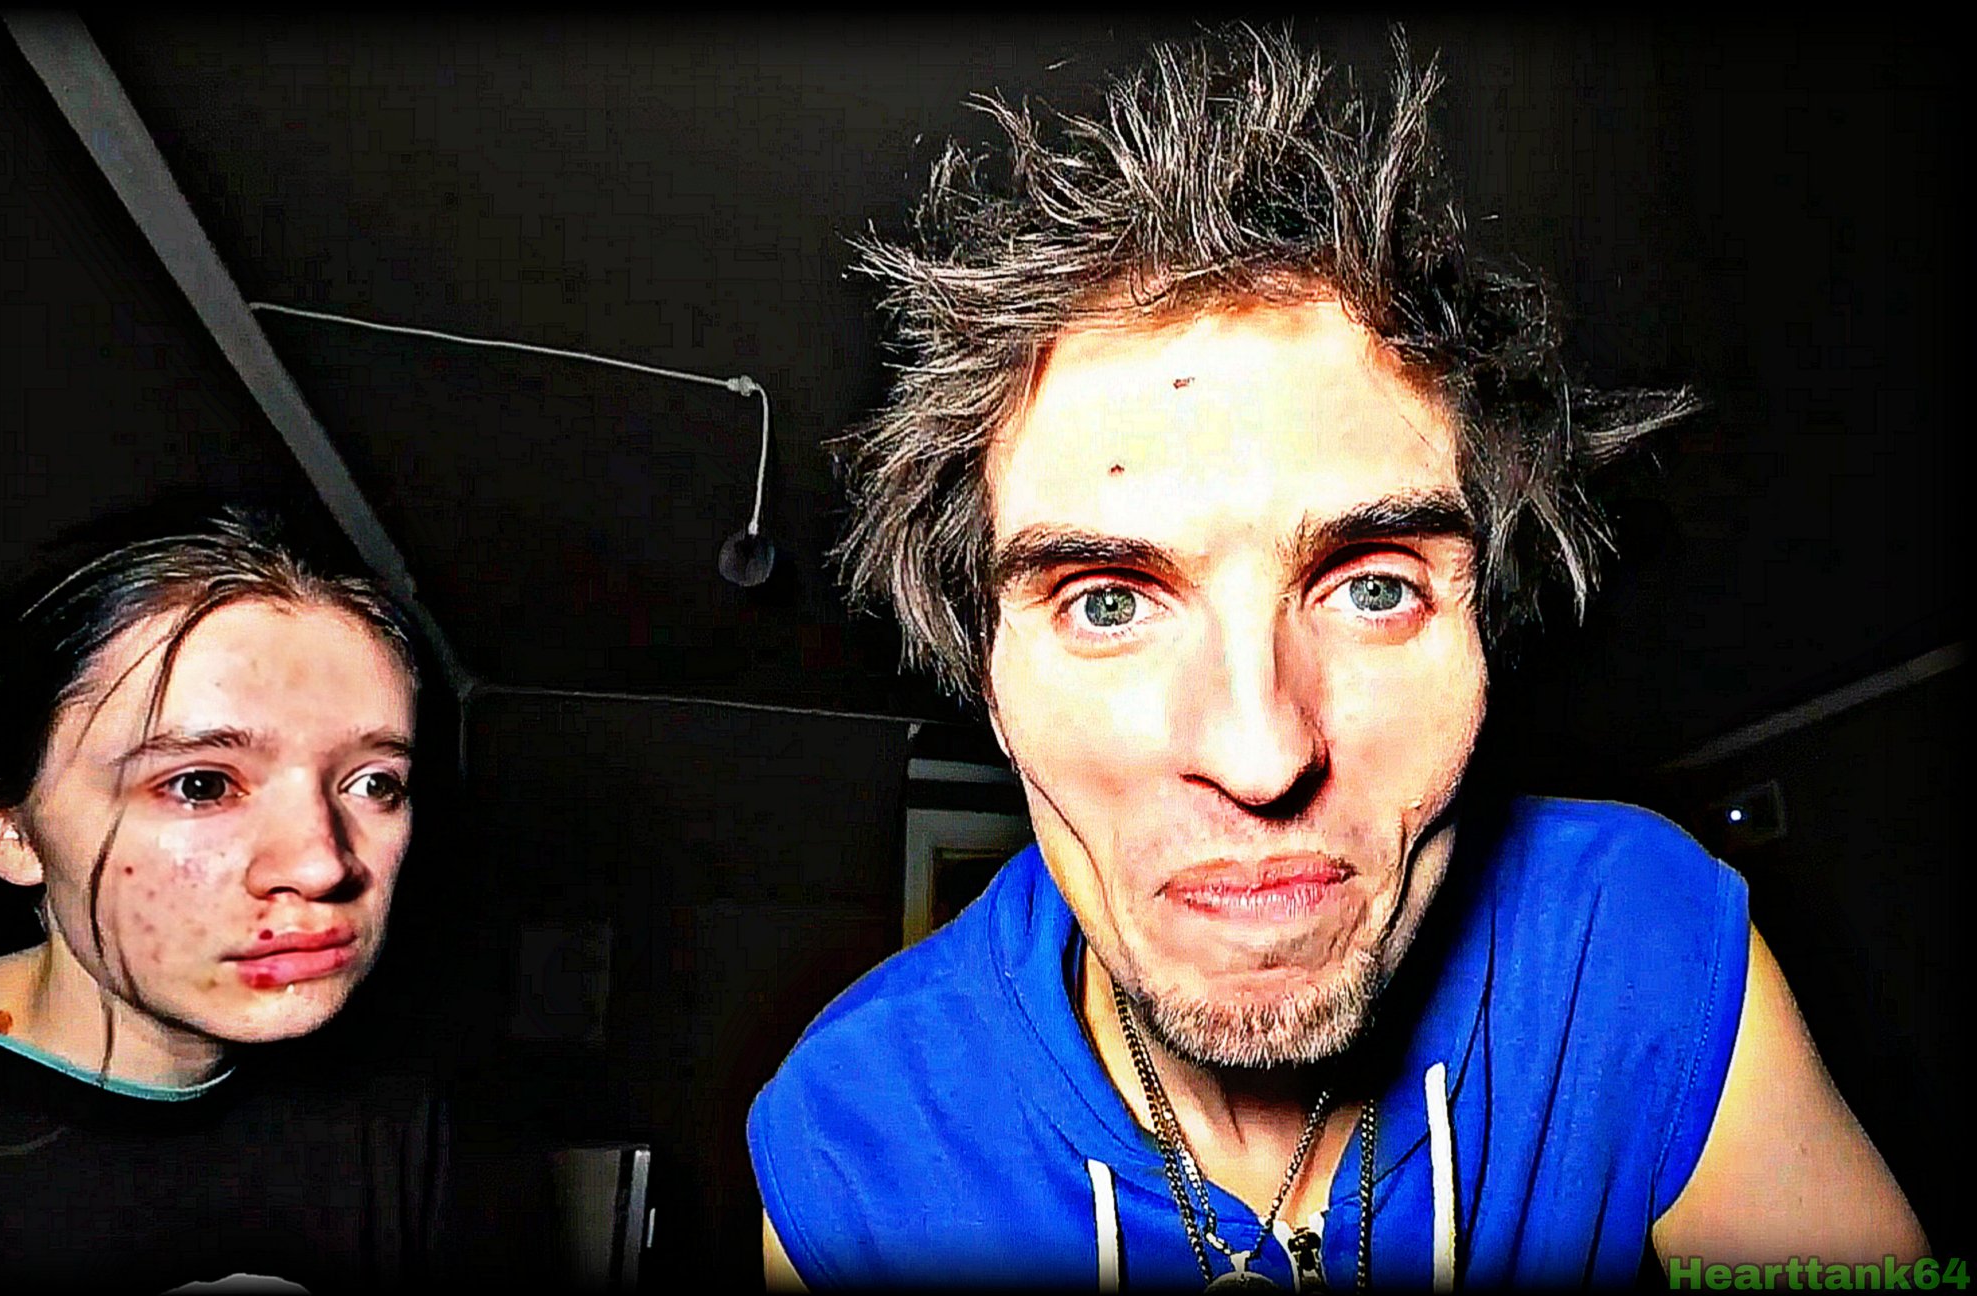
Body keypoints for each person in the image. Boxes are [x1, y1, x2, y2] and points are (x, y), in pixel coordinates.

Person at [747, 24, 1927, 1289]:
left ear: (1486, 637)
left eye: (1372, 589)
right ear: (986, 675)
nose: (1261, 756)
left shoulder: (1639, 951)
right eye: (1107, 603)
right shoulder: (854, 1141)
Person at [0, 506, 449, 1292]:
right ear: (5, 831)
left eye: (375, 783)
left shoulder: (395, 1117)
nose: (321, 864)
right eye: (201, 785)